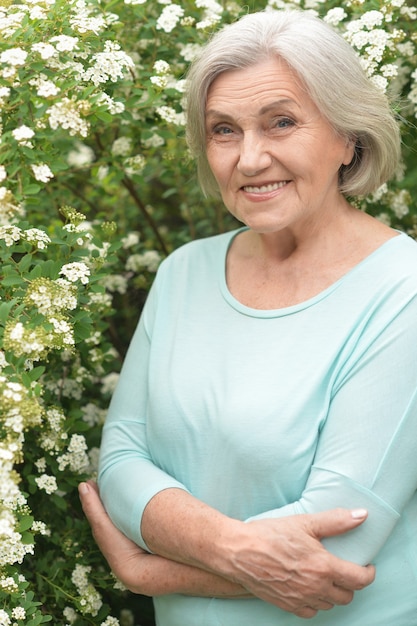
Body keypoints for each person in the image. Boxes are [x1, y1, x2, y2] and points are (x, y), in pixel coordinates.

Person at [79, 8, 417, 626]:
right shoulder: (184, 272)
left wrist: (147, 569)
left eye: (281, 123)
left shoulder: (404, 292)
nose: (250, 158)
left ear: (349, 136)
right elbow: (122, 459)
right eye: (224, 131)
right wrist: (232, 548)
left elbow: (335, 550)